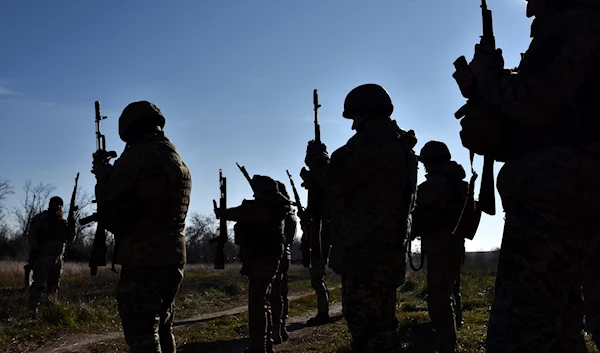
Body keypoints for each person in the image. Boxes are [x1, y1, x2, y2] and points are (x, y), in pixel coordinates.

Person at [452, 0, 600, 351]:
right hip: (566, 199)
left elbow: (534, 103)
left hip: (555, 202)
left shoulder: (576, 24)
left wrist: (490, 75)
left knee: (517, 337)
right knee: (562, 334)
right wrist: (485, 94)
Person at [301, 83, 418, 352]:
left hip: (367, 255)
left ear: (365, 114)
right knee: (381, 328)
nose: (354, 126)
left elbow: (338, 181)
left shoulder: (375, 145)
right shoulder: (398, 146)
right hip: (383, 253)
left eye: (355, 118)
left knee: (369, 332)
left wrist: (318, 161)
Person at [91, 100, 192, 353]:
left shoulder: (139, 155)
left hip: (144, 256)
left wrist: (103, 174)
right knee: (164, 325)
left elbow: (109, 195)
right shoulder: (175, 157)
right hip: (173, 256)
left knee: (142, 334)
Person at [215, 175, 291, 353]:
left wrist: (224, 213)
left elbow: (245, 213)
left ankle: (259, 347)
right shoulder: (274, 205)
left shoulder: (266, 207)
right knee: (263, 301)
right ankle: (266, 344)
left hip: (261, 259)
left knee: (257, 304)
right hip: (265, 258)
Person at [412, 140, 468, 353]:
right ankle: (453, 331)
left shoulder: (436, 184)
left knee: (438, 298)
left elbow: (413, 203)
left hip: (439, 245)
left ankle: (447, 344)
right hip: (454, 244)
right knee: (452, 290)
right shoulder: (458, 183)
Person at [27, 196, 76, 318]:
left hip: (58, 257)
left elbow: (70, 238)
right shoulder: (41, 219)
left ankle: (51, 311)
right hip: (43, 256)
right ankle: (32, 312)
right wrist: (35, 250)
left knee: (54, 285)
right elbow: (32, 235)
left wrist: (72, 222)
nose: (58, 206)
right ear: (50, 204)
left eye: (60, 205)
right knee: (38, 284)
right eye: (55, 204)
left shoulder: (62, 222)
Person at [270, 181, 297, 344]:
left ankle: (275, 329)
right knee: (282, 293)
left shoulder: (278, 211)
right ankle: (281, 327)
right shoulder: (290, 213)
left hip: (276, 256)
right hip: (286, 256)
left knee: (274, 295)